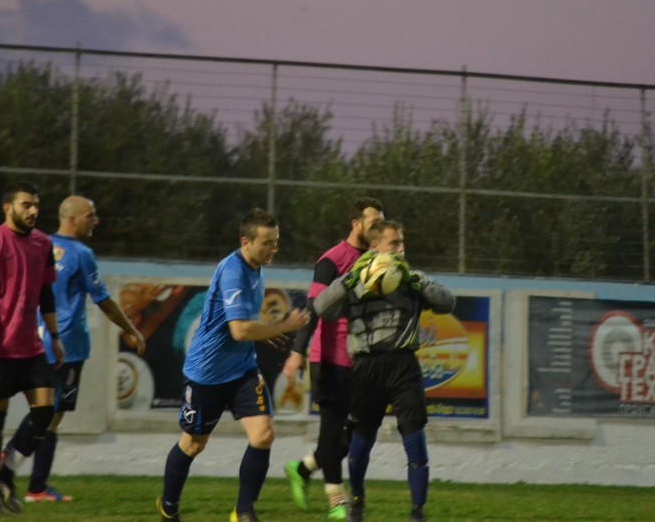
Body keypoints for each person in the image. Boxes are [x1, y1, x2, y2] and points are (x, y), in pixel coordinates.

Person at [158, 209, 311, 522]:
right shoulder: (233, 271)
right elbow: (239, 330)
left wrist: (266, 331)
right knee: (193, 443)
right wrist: (283, 326)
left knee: (263, 435)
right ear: (245, 242)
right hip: (206, 374)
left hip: (242, 371)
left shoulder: (256, 268)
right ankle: (168, 506)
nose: (274, 249)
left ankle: (243, 512)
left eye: (276, 242)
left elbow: (245, 325)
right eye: (267, 242)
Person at [0, 195, 146, 503]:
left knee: (49, 415)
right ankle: (9, 464)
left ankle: (36, 487)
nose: (96, 221)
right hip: (66, 344)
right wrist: (131, 330)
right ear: (72, 219)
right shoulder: (81, 254)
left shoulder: (38, 245)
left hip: (37, 340)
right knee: (47, 415)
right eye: (90, 215)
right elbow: (104, 300)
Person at [314, 220, 455, 522]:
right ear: (375, 246)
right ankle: (357, 501)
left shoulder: (412, 278)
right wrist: (349, 280)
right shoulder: (356, 279)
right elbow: (322, 307)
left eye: (402, 242)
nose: (401, 249)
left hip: (404, 365)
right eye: (395, 243)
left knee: (414, 435)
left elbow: (448, 302)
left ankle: (417, 512)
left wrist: (417, 282)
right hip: (366, 367)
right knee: (361, 442)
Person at [281, 198, 385, 520]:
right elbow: (312, 308)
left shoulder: (378, 260)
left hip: (363, 361)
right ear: (356, 224)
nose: (379, 229)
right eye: (374, 223)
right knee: (331, 429)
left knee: (353, 434)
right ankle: (336, 501)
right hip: (330, 358)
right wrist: (297, 351)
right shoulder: (332, 260)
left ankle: (303, 468)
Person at [0, 181, 65, 517]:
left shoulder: (43, 244)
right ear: (7, 208)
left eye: (36, 204)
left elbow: (47, 295)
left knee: (45, 411)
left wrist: (55, 337)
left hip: (31, 348)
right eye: (26, 204)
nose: (33, 210)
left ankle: (7, 475)